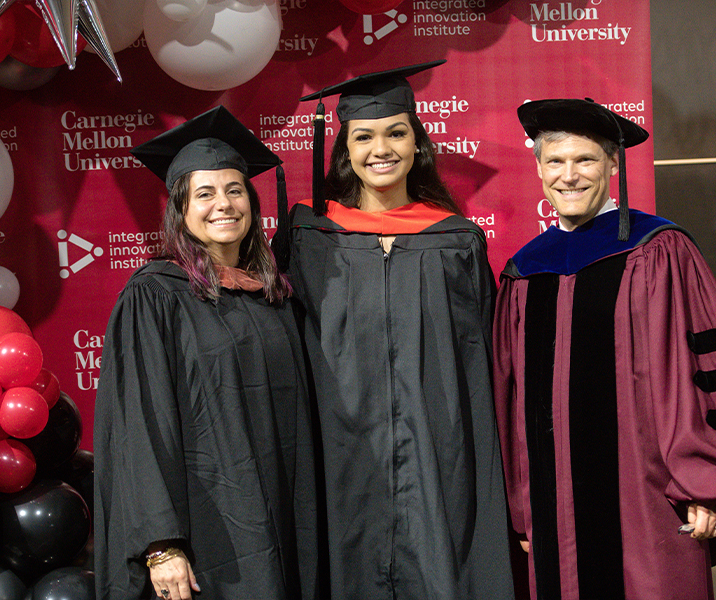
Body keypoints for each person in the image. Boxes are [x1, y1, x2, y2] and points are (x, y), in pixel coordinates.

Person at [492, 98, 716, 600]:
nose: (569, 175)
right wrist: (524, 504)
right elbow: (512, 402)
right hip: (554, 506)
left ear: (614, 163)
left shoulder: (659, 250)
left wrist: (704, 483)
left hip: (649, 493)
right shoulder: (525, 271)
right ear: (539, 169)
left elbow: (703, 370)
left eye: (585, 160)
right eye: (555, 161)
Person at [288, 61, 515, 599]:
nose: (380, 148)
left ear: (417, 144)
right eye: (363, 136)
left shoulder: (455, 240)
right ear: (345, 149)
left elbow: (483, 359)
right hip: (340, 447)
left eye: (396, 132)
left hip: (438, 449)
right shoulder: (311, 238)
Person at [93, 106, 317, 600]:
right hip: (206, 534)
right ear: (181, 208)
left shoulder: (274, 296)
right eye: (205, 193)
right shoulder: (155, 296)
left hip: (281, 519)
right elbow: (139, 425)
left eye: (235, 190)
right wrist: (161, 543)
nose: (224, 204)